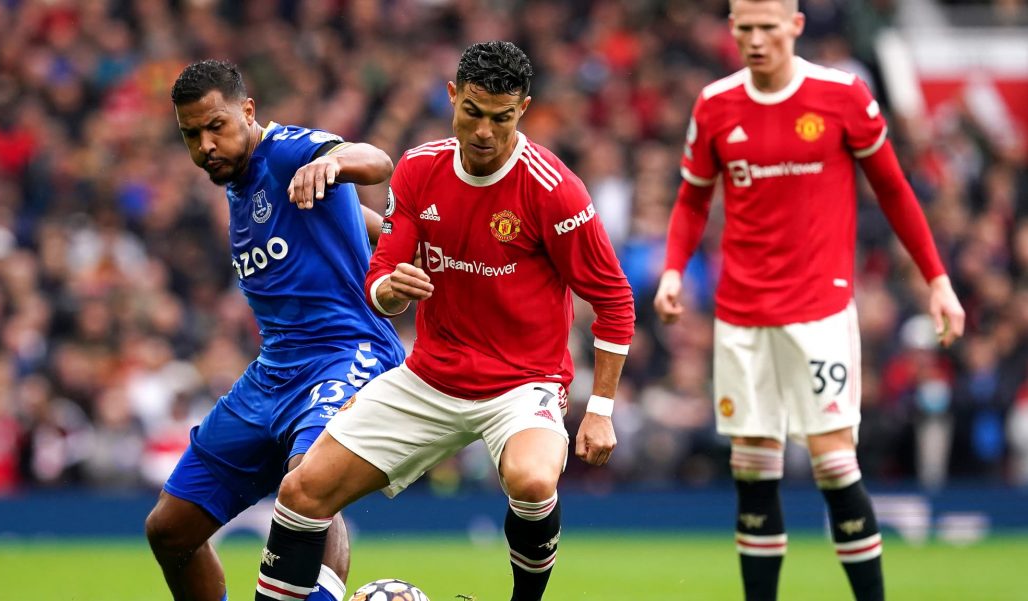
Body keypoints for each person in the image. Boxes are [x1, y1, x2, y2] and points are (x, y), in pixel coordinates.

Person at [252, 41, 635, 601]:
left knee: (532, 481)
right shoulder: (419, 168)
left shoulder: (554, 189)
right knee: (302, 491)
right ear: (453, 96)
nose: (484, 131)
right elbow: (382, 274)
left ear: (522, 110)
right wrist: (390, 291)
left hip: (522, 384)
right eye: (472, 112)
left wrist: (600, 410)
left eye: (501, 118)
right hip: (431, 376)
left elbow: (614, 297)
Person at [652, 2, 965, 600]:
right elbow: (693, 198)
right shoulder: (715, 103)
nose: (755, 40)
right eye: (744, 29)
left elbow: (895, 190)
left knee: (833, 463)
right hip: (741, 314)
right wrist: (673, 270)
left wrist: (937, 279)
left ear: (795, 26)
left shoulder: (842, 95)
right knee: (752, 466)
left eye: (768, 27)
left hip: (819, 310)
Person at [145, 59, 405, 601]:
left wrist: (331, 164)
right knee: (169, 531)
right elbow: (355, 221)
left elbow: (373, 160)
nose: (206, 145)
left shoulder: (285, 150)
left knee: (308, 480)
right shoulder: (238, 183)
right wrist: (395, 243)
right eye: (191, 134)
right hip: (274, 373)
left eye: (216, 126)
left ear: (247, 111)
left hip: (345, 353)